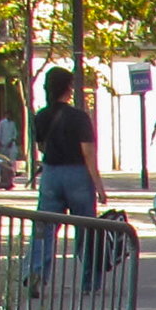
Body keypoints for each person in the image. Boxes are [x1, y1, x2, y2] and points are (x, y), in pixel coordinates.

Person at [25, 65, 109, 297]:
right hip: (78, 175)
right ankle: (90, 281)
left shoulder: (40, 116)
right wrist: (99, 187)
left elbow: (40, 146)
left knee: (44, 227)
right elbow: (89, 154)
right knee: (88, 230)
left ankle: (36, 272)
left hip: (51, 174)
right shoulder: (79, 117)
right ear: (68, 88)